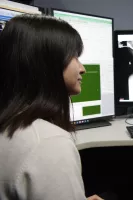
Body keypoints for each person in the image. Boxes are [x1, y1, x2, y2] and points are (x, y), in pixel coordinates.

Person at [0, 14, 104, 200]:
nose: (82, 69)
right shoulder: (49, 143)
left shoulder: (10, 125)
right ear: (48, 63)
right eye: (74, 57)